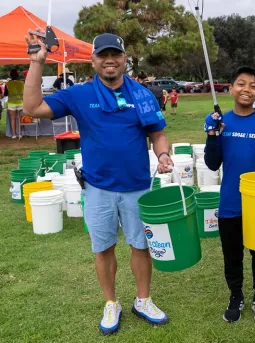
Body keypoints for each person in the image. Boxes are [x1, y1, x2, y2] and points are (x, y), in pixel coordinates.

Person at [23, 31, 173, 335]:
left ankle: (143, 300)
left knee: (140, 246)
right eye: (103, 55)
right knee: (103, 249)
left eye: (115, 55)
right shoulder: (79, 94)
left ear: (124, 59)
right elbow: (32, 108)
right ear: (93, 60)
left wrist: (164, 153)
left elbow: (157, 133)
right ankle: (110, 302)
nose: (109, 60)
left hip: (137, 187)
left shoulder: (142, 94)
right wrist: (37, 63)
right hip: (98, 188)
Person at [204, 66, 255, 324]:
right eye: (241, 84)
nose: (246, 89)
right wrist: (212, 135)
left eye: (252, 85)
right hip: (230, 202)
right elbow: (212, 163)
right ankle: (235, 295)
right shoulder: (221, 122)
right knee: (232, 254)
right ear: (230, 88)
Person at [5, 69, 24, 139]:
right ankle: (20, 134)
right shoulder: (21, 83)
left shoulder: (8, 84)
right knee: (20, 119)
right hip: (20, 103)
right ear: (17, 75)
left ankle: (13, 134)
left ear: (10, 76)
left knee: (13, 119)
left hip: (11, 103)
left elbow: (5, 94)